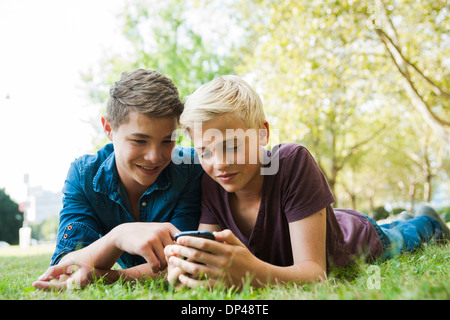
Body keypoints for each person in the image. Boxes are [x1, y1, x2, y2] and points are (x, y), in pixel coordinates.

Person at [164, 75, 449, 289]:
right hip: (314, 222)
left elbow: (316, 273)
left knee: (403, 236)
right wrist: (190, 265)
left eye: (233, 146)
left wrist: (250, 273)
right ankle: (403, 218)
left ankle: (427, 220)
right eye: (205, 151)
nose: (219, 163)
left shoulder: (291, 162)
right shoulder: (212, 182)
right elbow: (208, 251)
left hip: (355, 236)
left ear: (262, 134)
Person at [33, 69, 203, 290]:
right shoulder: (84, 175)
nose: (154, 156)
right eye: (140, 141)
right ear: (108, 129)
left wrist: (108, 276)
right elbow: (64, 267)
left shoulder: (192, 169)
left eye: (167, 141)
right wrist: (118, 236)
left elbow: (181, 263)